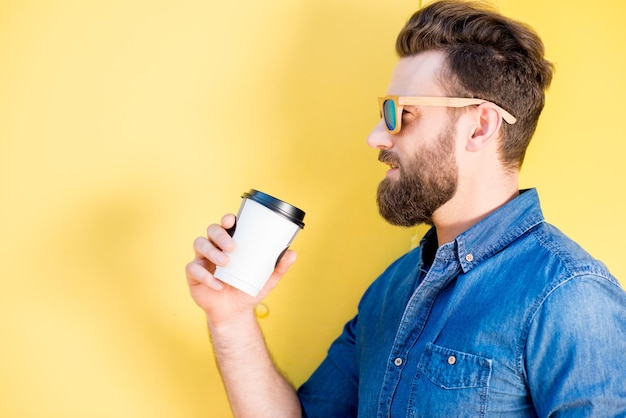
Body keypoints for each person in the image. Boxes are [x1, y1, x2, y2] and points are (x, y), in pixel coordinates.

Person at [186, 1, 626, 416]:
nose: (376, 137)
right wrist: (231, 318)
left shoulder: (569, 296)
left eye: (399, 113)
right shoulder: (390, 291)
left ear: (479, 127)